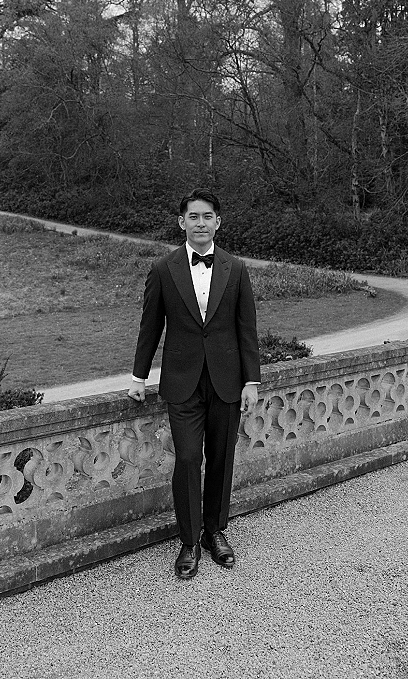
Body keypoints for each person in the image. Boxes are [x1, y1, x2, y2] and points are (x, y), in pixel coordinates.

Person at [128, 188, 261, 579]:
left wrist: (251, 381)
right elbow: (149, 327)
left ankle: (214, 532)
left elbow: (246, 329)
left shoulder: (236, 269)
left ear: (217, 222)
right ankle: (188, 540)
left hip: (227, 382)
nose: (200, 223)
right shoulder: (162, 269)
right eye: (193, 216)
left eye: (207, 217)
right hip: (182, 382)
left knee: (221, 458)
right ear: (181, 222)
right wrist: (139, 377)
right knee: (188, 458)